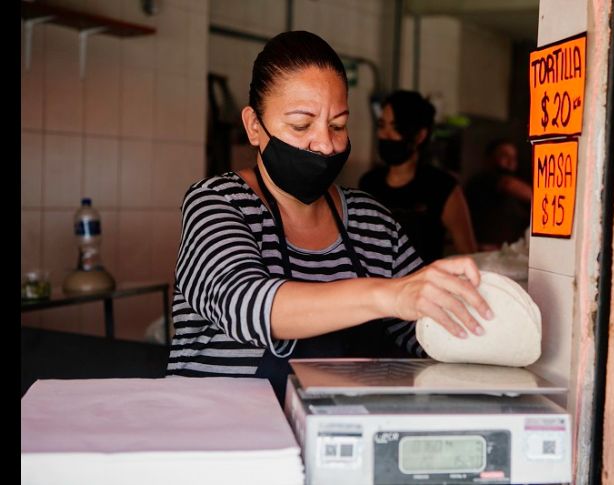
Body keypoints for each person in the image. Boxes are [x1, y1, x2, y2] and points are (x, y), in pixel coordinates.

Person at [165, 31, 492, 403]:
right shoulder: (218, 203)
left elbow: (426, 329)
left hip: (343, 442)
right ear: (254, 126)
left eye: (337, 125)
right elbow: (246, 302)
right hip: (230, 446)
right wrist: (389, 294)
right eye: (302, 125)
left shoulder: (373, 222)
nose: (324, 144)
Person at [359, 90, 477, 264]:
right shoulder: (369, 183)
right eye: (382, 126)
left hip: (422, 288)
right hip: (376, 287)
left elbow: (468, 253)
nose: (385, 135)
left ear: (420, 135)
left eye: (396, 128)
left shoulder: (442, 187)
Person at [465, 138, 533, 250]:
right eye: (504, 156)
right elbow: (508, 184)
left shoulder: (511, 186)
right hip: (485, 251)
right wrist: (548, 199)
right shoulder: (483, 179)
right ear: (489, 158)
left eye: (514, 157)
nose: (511, 161)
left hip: (504, 250)